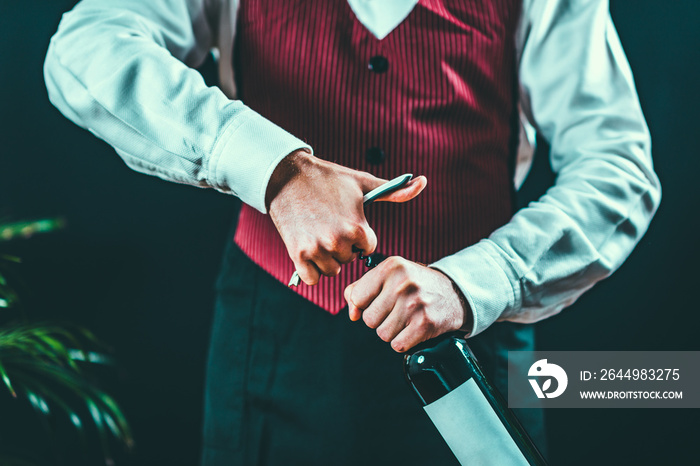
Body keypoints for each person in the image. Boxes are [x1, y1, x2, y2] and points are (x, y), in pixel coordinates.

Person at [44, 0, 660, 464]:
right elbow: (87, 48)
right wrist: (277, 169)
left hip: (477, 341)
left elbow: (618, 164)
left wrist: (478, 281)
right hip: (271, 335)